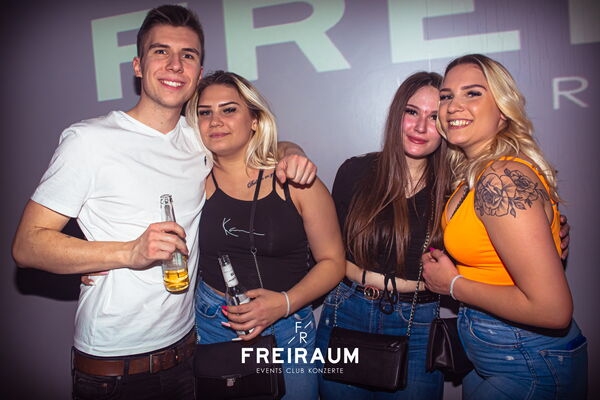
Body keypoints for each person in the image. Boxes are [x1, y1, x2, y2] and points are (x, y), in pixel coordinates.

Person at [11, 5, 315, 400]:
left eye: (187, 55)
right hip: (116, 368)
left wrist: (291, 151)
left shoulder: (199, 139)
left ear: (198, 74)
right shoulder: (89, 141)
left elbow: (256, 144)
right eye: (161, 52)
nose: (174, 65)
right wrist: (126, 252)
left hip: (189, 352)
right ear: (138, 66)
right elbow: (27, 245)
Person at [422, 54, 588, 399]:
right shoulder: (474, 174)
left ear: (502, 110)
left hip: (527, 358)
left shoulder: (501, 178)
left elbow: (553, 310)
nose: (453, 106)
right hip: (496, 352)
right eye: (447, 96)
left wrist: (452, 285)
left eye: (472, 93)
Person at [185, 70, 345, 400]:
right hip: (216, 322)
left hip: (290, 326)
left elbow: (333, 262)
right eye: (205, 112)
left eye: (229, 109)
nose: (215, 121)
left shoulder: (296, 181)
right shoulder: (190, 183)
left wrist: (284, 304)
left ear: (255, 120)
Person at [315, 71, 449, 400]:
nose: (420, 127)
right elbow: (323, 249)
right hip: (345, 310)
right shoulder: (355, 171)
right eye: (412, 112)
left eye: (434, 117)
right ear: (396, 114)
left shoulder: (455, 190)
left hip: (416, 320)